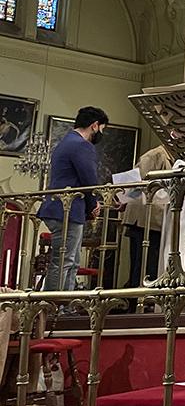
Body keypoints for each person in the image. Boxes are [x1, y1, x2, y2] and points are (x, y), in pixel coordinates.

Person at [38, 106, 107, 292]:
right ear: (95, 125)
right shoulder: (82, 145)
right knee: (64, 261)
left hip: (58, 208)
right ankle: (53, 306)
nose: (101, 133)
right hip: (67, 210)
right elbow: (88, 180)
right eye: (102, 129)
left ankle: (63, 304)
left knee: (72, 260)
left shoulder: (66, 141)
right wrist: (94, 204)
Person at [121, 146, 173, 312]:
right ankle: (136, 303)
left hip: (154, 218)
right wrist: (123, 199)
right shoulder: (155, 154)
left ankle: (143, 301)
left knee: (149, 261)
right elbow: (135, 179)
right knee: (142, 262)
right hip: (144, 217)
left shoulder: (170, 157)